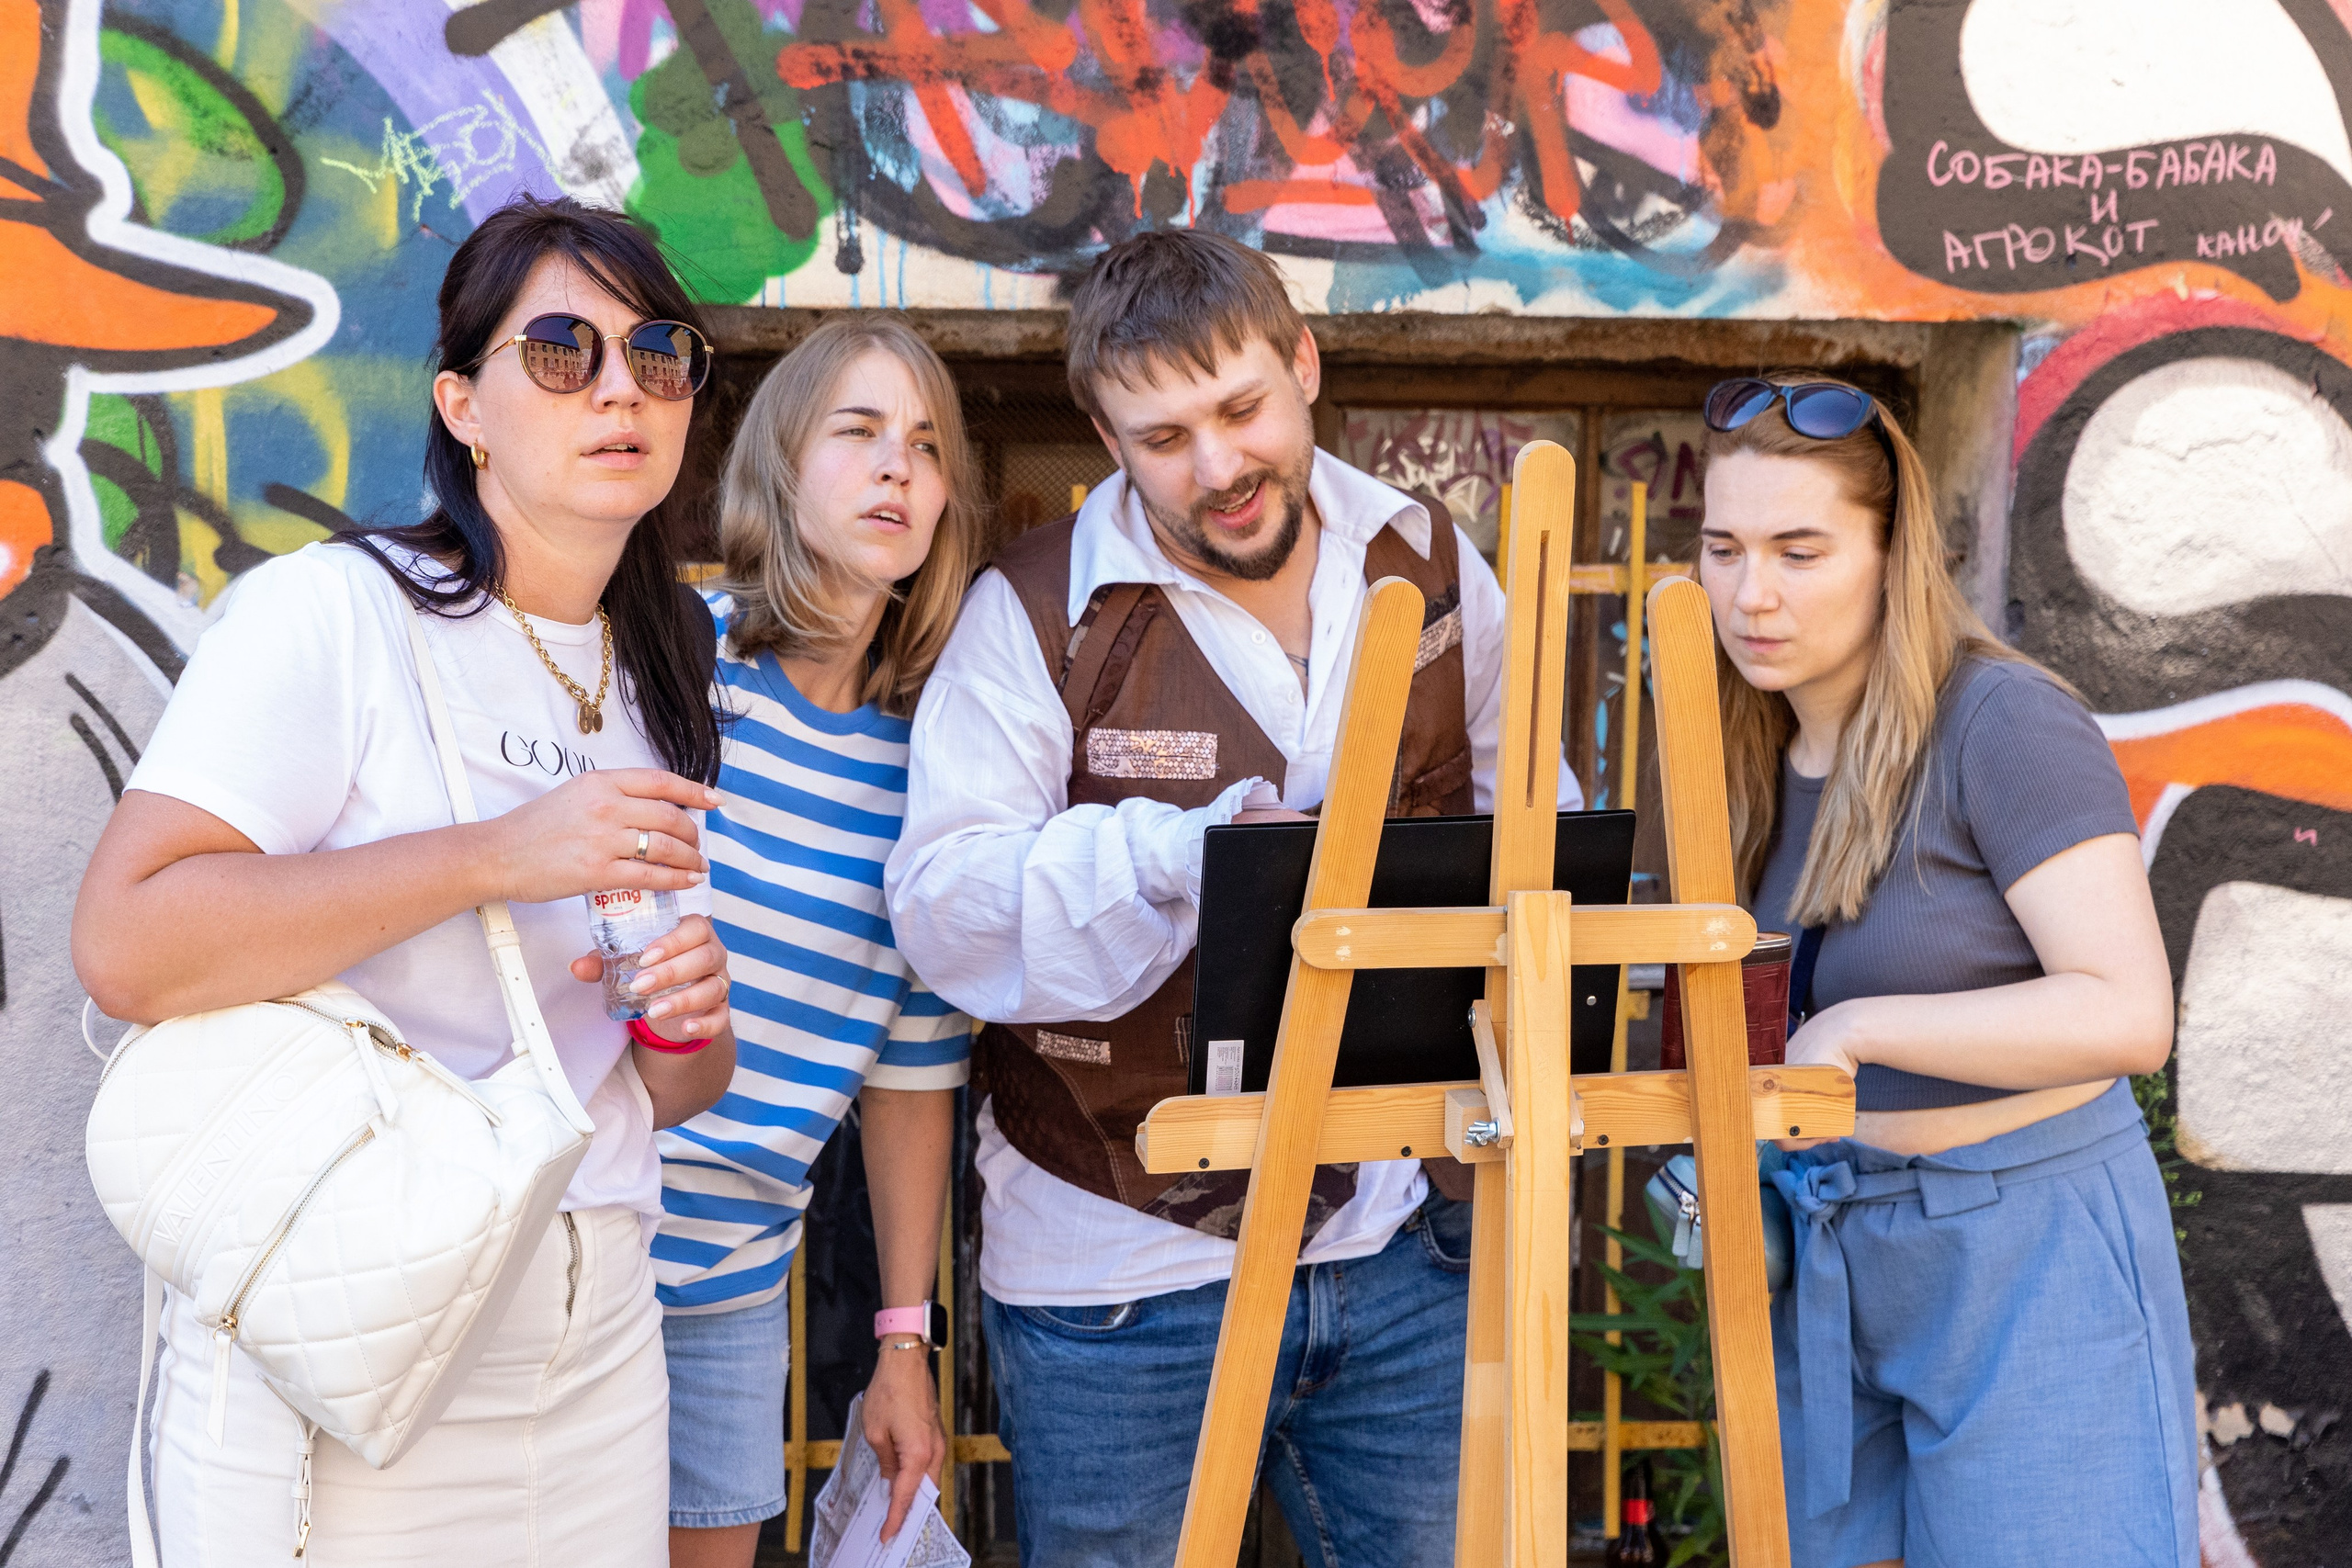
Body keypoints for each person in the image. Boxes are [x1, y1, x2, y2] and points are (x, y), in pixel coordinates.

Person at [885, 229, 1582, 1565]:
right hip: (1118, 1286)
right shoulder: (1033, 613)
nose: (1217, 467)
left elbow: (1532, 825)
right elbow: (945, 904)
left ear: (1303, 363)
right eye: (1162, 438)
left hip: (1401, 1253)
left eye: (1242, 409)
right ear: (1105, 437)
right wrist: (1181, 853)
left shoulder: (1432, 560)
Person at [72, 194, 738, 1564]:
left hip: (601, 1340)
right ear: (464, 406)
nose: (620, 387)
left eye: (657, 353)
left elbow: (660, 1089)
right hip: (351, 1321)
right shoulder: (337, 613)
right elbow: (127, 945)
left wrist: (688, 1018)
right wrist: (495, 856)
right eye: (561, 350)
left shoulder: (661, 663)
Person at [1694, 374, 2195, 1566]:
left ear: (1891, 553)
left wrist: (1859, 1030)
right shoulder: (1745, 745)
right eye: (1723, 550)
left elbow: (2131, 1013)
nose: (1752, 594)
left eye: (1799, 552)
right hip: (1827, 1249)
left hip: (2027, 1257)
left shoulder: (2000, 720)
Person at [657, 317, 981, 1564]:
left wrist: (903, 1343)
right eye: (859, 431)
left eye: (927, 446)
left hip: (736, 1291)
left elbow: (910, 1076)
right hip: (570, 1240)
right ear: (780, 465)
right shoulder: (679, 666)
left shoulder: (938, 765)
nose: (899, 465)